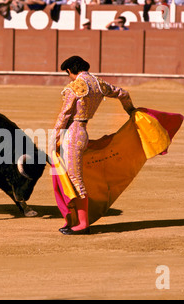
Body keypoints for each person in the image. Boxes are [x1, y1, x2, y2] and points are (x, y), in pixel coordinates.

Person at [50, 56, 136, 235]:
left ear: (70, 71)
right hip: (83, 132)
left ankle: (82, 224)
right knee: (72, 177)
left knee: (74, 179)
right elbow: (124, 94)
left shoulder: (75, 87)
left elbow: (64, 116)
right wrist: (131, 111)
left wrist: (53, 140)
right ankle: (74, 219)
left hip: (72, 135)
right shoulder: (99, 84)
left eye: (68, 74)